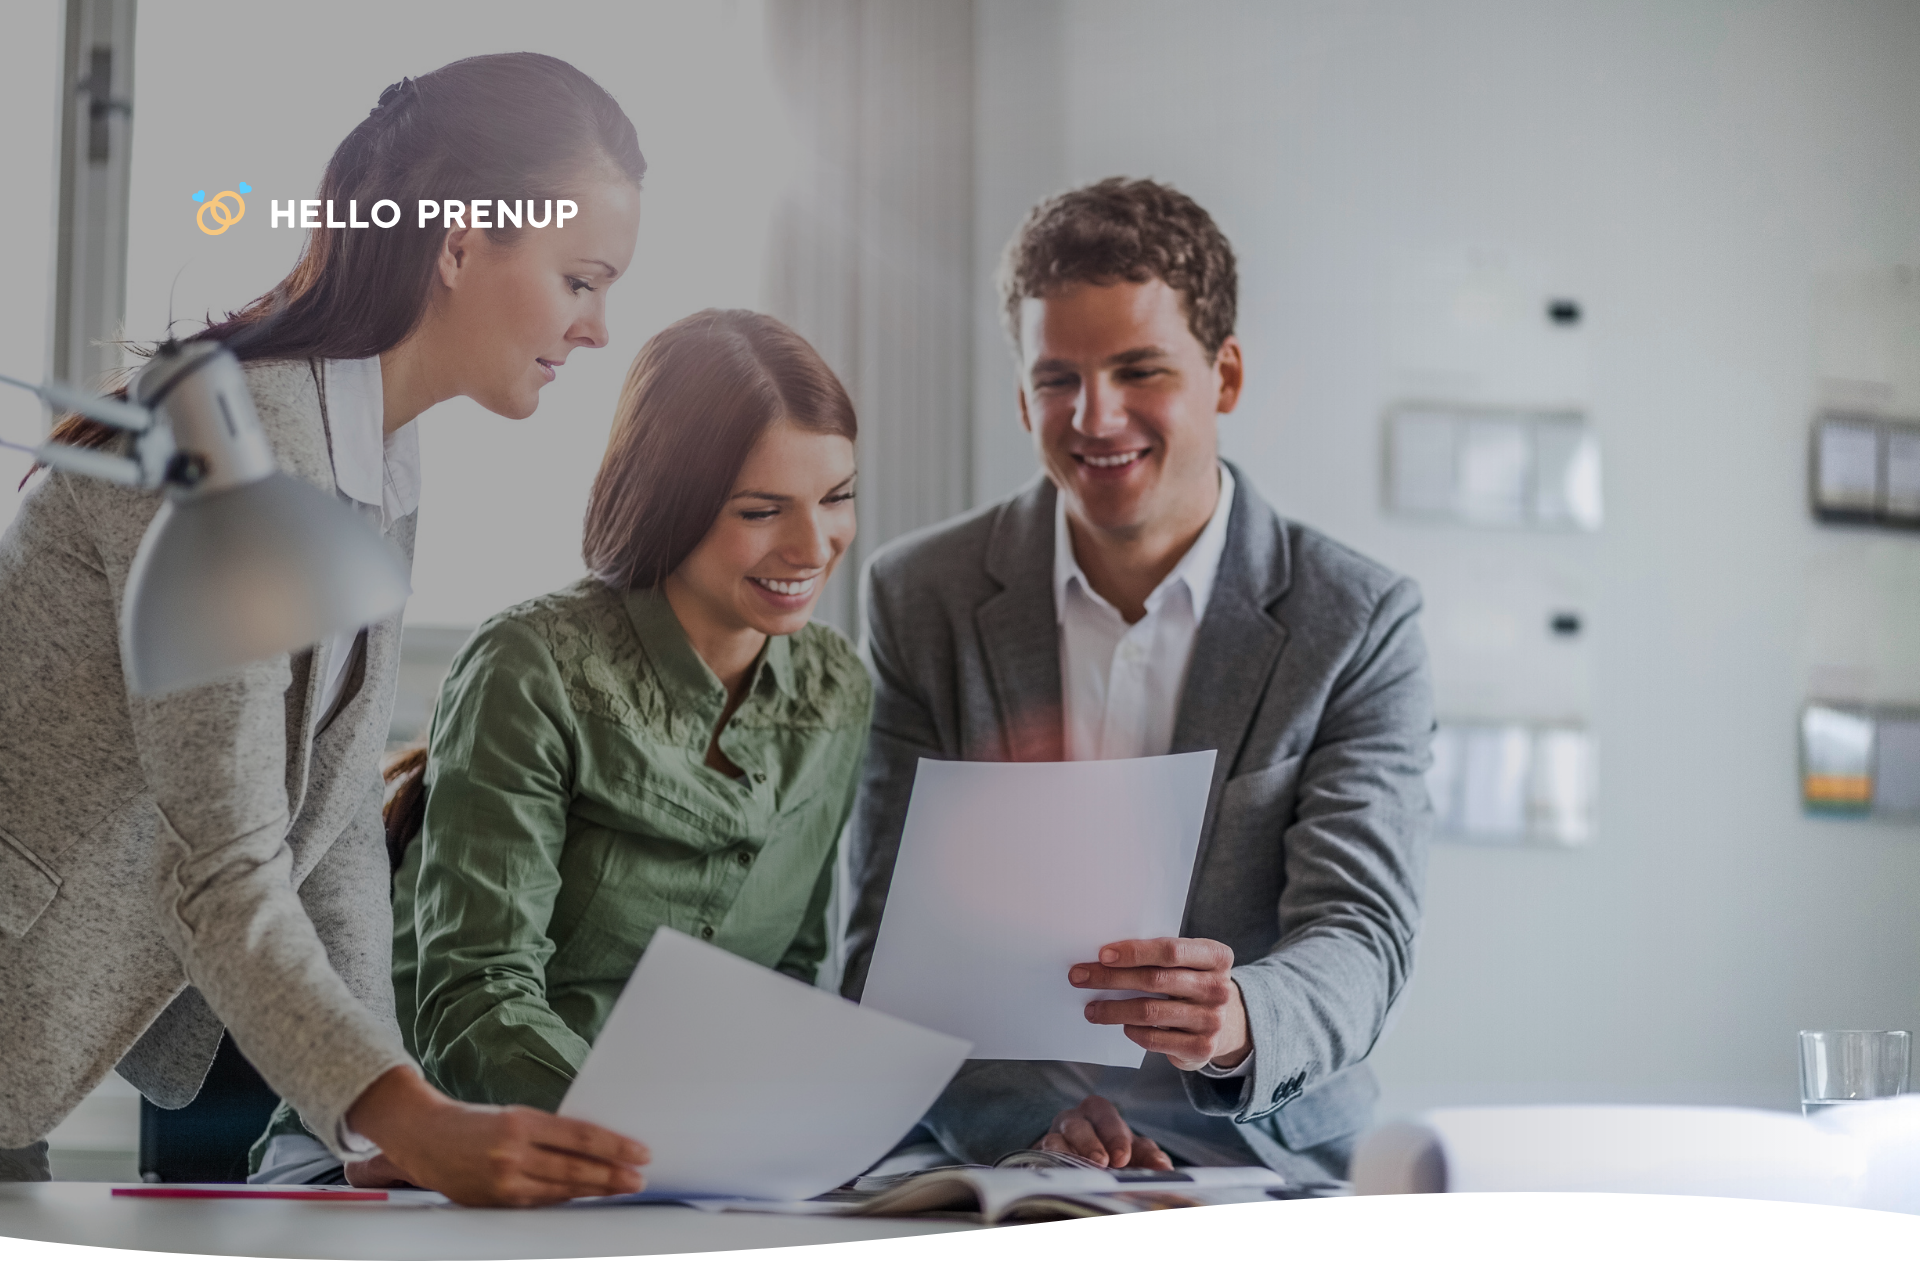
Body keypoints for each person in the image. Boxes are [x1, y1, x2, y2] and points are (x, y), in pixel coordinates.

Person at [0, 54, 651, 1205]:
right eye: (581, 278)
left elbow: (336, 810)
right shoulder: (238, 443)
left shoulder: (373, 453)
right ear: (459, 244)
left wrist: (368, 1114)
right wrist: (400, 1104)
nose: (598, 327)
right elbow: (222, 865)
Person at [842, 178, 1434, 1181]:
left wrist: (1239, 1017)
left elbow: (1360, 932)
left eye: (1138, 369)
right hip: (1001, 1147)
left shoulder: (1359, 619)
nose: (1095, 415)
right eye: (1057, 377)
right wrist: (1023, 1120)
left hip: (1265, 1150)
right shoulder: (920, 595)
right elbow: (884, 948)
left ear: (1226, 375)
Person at [361, 310, 867, 1157]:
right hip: (441, 1153)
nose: (814, 545)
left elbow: (786, 982)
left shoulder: (838, 690)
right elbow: (476, 1003)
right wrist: (662, 1141)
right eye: (761, 510)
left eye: (838, 497)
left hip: (692, 1173)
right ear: (671, 502)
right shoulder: (533, 664)